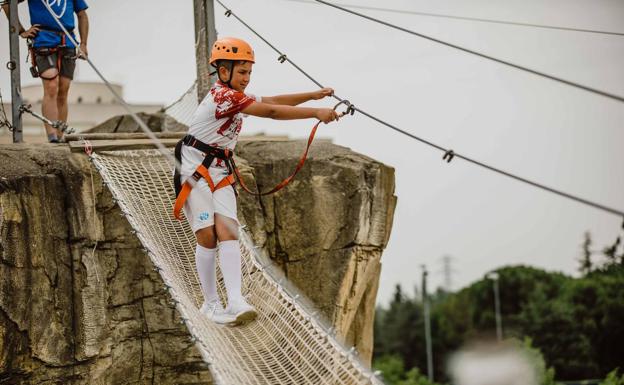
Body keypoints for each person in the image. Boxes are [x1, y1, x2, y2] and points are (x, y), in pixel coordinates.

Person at [174, 37, 339, 326]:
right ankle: (211, 305)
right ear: (223, 71)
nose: (246, 79)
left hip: (221, 170)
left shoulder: (236, 95)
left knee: (229, 229)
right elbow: (272, 112)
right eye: (242, 73)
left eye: (249, 73)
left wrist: (312, 96)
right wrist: (315, 113)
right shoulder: (223, 97)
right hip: (195, 169)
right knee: (208, 235)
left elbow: (273, 101)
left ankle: (235, 300)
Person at [1, 0, 89, 143]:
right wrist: (22, 31)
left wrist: (84, 44)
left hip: (68, 41)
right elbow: (6, 4)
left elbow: (82, 14)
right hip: (43, 41)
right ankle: (52, 137)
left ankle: (61, 137)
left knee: (63, 90)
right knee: (51, 86)